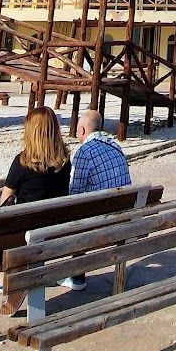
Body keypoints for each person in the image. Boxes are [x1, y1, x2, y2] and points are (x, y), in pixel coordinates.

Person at [0, 107, 71, 293]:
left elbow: (6, 200)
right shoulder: (64, 162)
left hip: (24, 232)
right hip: (54, 228)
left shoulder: (22, 162)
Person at [62, 109, 133, 290]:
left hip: (99, 222)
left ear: (83, 131)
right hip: (125, 217)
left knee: (77, 213)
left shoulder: (84, 152)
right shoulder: (116, 146)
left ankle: (77, 275)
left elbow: (74, 194)